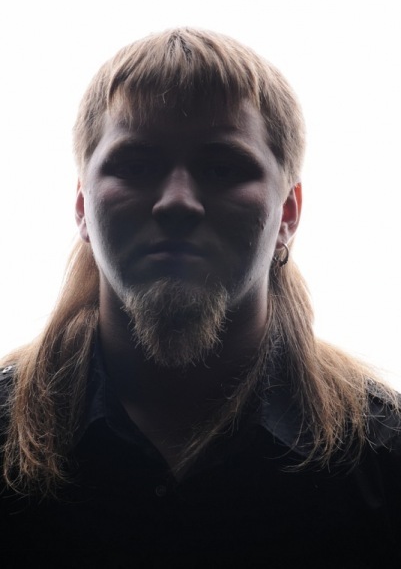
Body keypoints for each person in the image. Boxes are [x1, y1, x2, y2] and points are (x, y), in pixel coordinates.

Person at [1, 28, 400, 568]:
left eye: (222, 168)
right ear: (81, 207)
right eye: (136, 165)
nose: (177, 202)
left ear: (288, 212)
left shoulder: (385, 460)